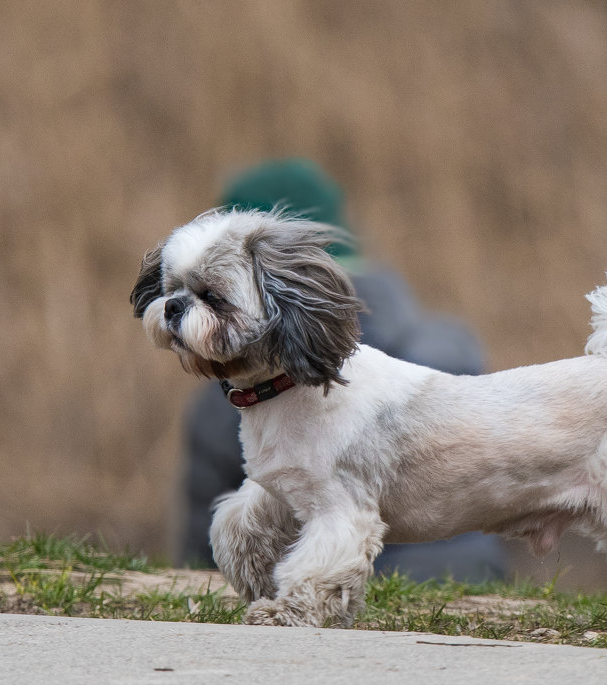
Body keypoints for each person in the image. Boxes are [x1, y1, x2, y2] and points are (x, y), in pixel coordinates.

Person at [176, 159, 506, 583]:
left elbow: (205, 535)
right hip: (467, 579)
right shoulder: (452, 343)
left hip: (330, 586)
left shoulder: (242, 384)